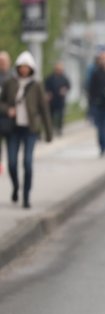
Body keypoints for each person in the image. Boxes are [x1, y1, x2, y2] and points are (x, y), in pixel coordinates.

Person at [0, 51, 53, 209]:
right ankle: (16, 186)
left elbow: (43, 109)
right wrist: (7, 109)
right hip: (13, 128)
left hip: (30, 129)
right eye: (21, 67)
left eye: (26, 67)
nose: (23, 70)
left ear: (31, 68)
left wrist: (48, 132)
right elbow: (1, 102)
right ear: (17, 67)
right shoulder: (10, 83)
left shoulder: (36, 85)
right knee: (12, 162)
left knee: (28, 162)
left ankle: (26, 196)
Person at [44, 61, 71, 137]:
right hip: (52, 100)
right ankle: (51, 129)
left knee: (60, 115)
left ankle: (59, 128)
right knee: (50, 115)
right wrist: (47, 94)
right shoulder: (50, 78)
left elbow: (68, 86)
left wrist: (64, 90)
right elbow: (46, 87)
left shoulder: (64, 78)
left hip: (60, 100)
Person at [0, 50, 14, 175]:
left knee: (11, 143)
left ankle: (11, 163)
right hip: (2, 115)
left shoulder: (13, 77)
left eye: (4, 61)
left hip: (11, 118)